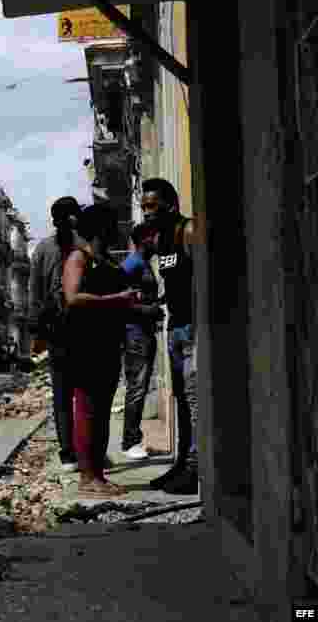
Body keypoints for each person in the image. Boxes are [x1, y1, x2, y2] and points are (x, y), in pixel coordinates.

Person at [61, 202, 140, 497]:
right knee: (87, 410)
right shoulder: (78, 258)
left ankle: (98, 475)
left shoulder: (105, 261)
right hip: (85, 345)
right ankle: (87, 478)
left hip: (108, 344)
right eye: (112, 225)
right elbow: (73, 297)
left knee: (102, 412)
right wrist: (116, 299)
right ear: (100, 229)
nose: (117, 230)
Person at [141, 177, 201, 495]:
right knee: (182, 401)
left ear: (170, 204)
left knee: (194, 399)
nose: (146, 212)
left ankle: (195, 469)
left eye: (152, 205)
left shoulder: (186, 231)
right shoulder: (161, 239)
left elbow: (202, 279)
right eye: (143, 206)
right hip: (175, 329)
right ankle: (181, 464)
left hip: (192, 329)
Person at [29, 196, 83, 472]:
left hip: (57, 329)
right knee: (83, 393)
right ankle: (81, 449)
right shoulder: (84, 245)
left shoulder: (42, 249)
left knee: (62, 395)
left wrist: (38, 332)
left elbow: (35, 295)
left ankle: (68, 452)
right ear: (74, 217)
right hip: (80, 328)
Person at [120, 223, 165, 461]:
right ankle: (130, 442)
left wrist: (156, 304)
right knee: (136, 388)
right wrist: (149, 311)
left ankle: (133, 439)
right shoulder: (132, 264)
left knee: (140, 387)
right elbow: (121, 302)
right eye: (155, 236)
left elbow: (141, 298)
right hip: (135, 335)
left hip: (144, 333)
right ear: (145, 239)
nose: (158, 240)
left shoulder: (144, 263)